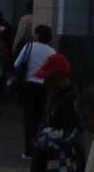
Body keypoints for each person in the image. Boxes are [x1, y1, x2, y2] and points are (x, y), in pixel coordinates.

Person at [33, 53, 83, 172]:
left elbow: (71, 137)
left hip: (62, 159)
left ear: (58, 76)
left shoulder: (71, 102)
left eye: (47, 77)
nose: (44, 81)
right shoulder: (55, 96)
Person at [15, 24, 56, 160]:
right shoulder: (52, 51)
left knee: (29, 119)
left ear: (37, 35)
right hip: (44, 86)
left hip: (29, 85)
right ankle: (42, 147)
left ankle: (28, 150)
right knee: (42, 118)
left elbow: (17, 64)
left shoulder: (29, 46)